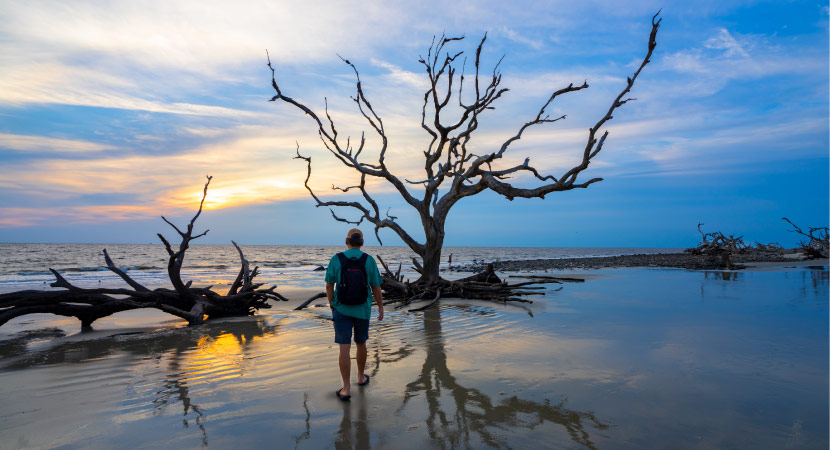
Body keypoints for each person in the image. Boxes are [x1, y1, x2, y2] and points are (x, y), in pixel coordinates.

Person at [325, 228, 384, 401]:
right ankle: (360, 377)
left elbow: (329, 286)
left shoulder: (336, 259)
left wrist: (332, 305)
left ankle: (346, 389)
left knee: (344, 347)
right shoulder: (369, 260)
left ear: (346, 241)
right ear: (362, 243)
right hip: (362, 310)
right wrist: (380, 306)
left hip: (341, 309)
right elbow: (376, 287)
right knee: (361, 343)